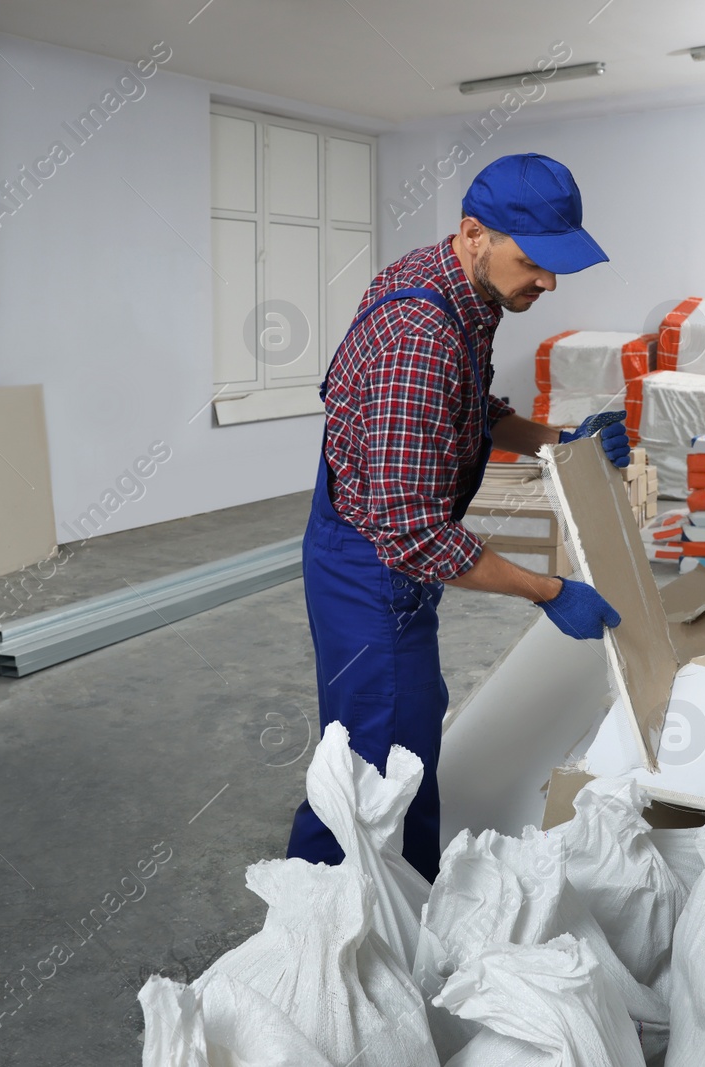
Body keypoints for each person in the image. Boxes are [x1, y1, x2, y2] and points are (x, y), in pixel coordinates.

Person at [286, 153, 629, 881]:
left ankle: (399, 915)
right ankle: (317, 943)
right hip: (371, 568)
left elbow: (472, 409)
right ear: (475, 233)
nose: (548, 282)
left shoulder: (459, 290)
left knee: (399, 746)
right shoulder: (422, 334)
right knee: (374, 774)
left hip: (374, 546)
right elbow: (412, 534)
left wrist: (559, 440)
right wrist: (549, 590)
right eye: (534, 260)